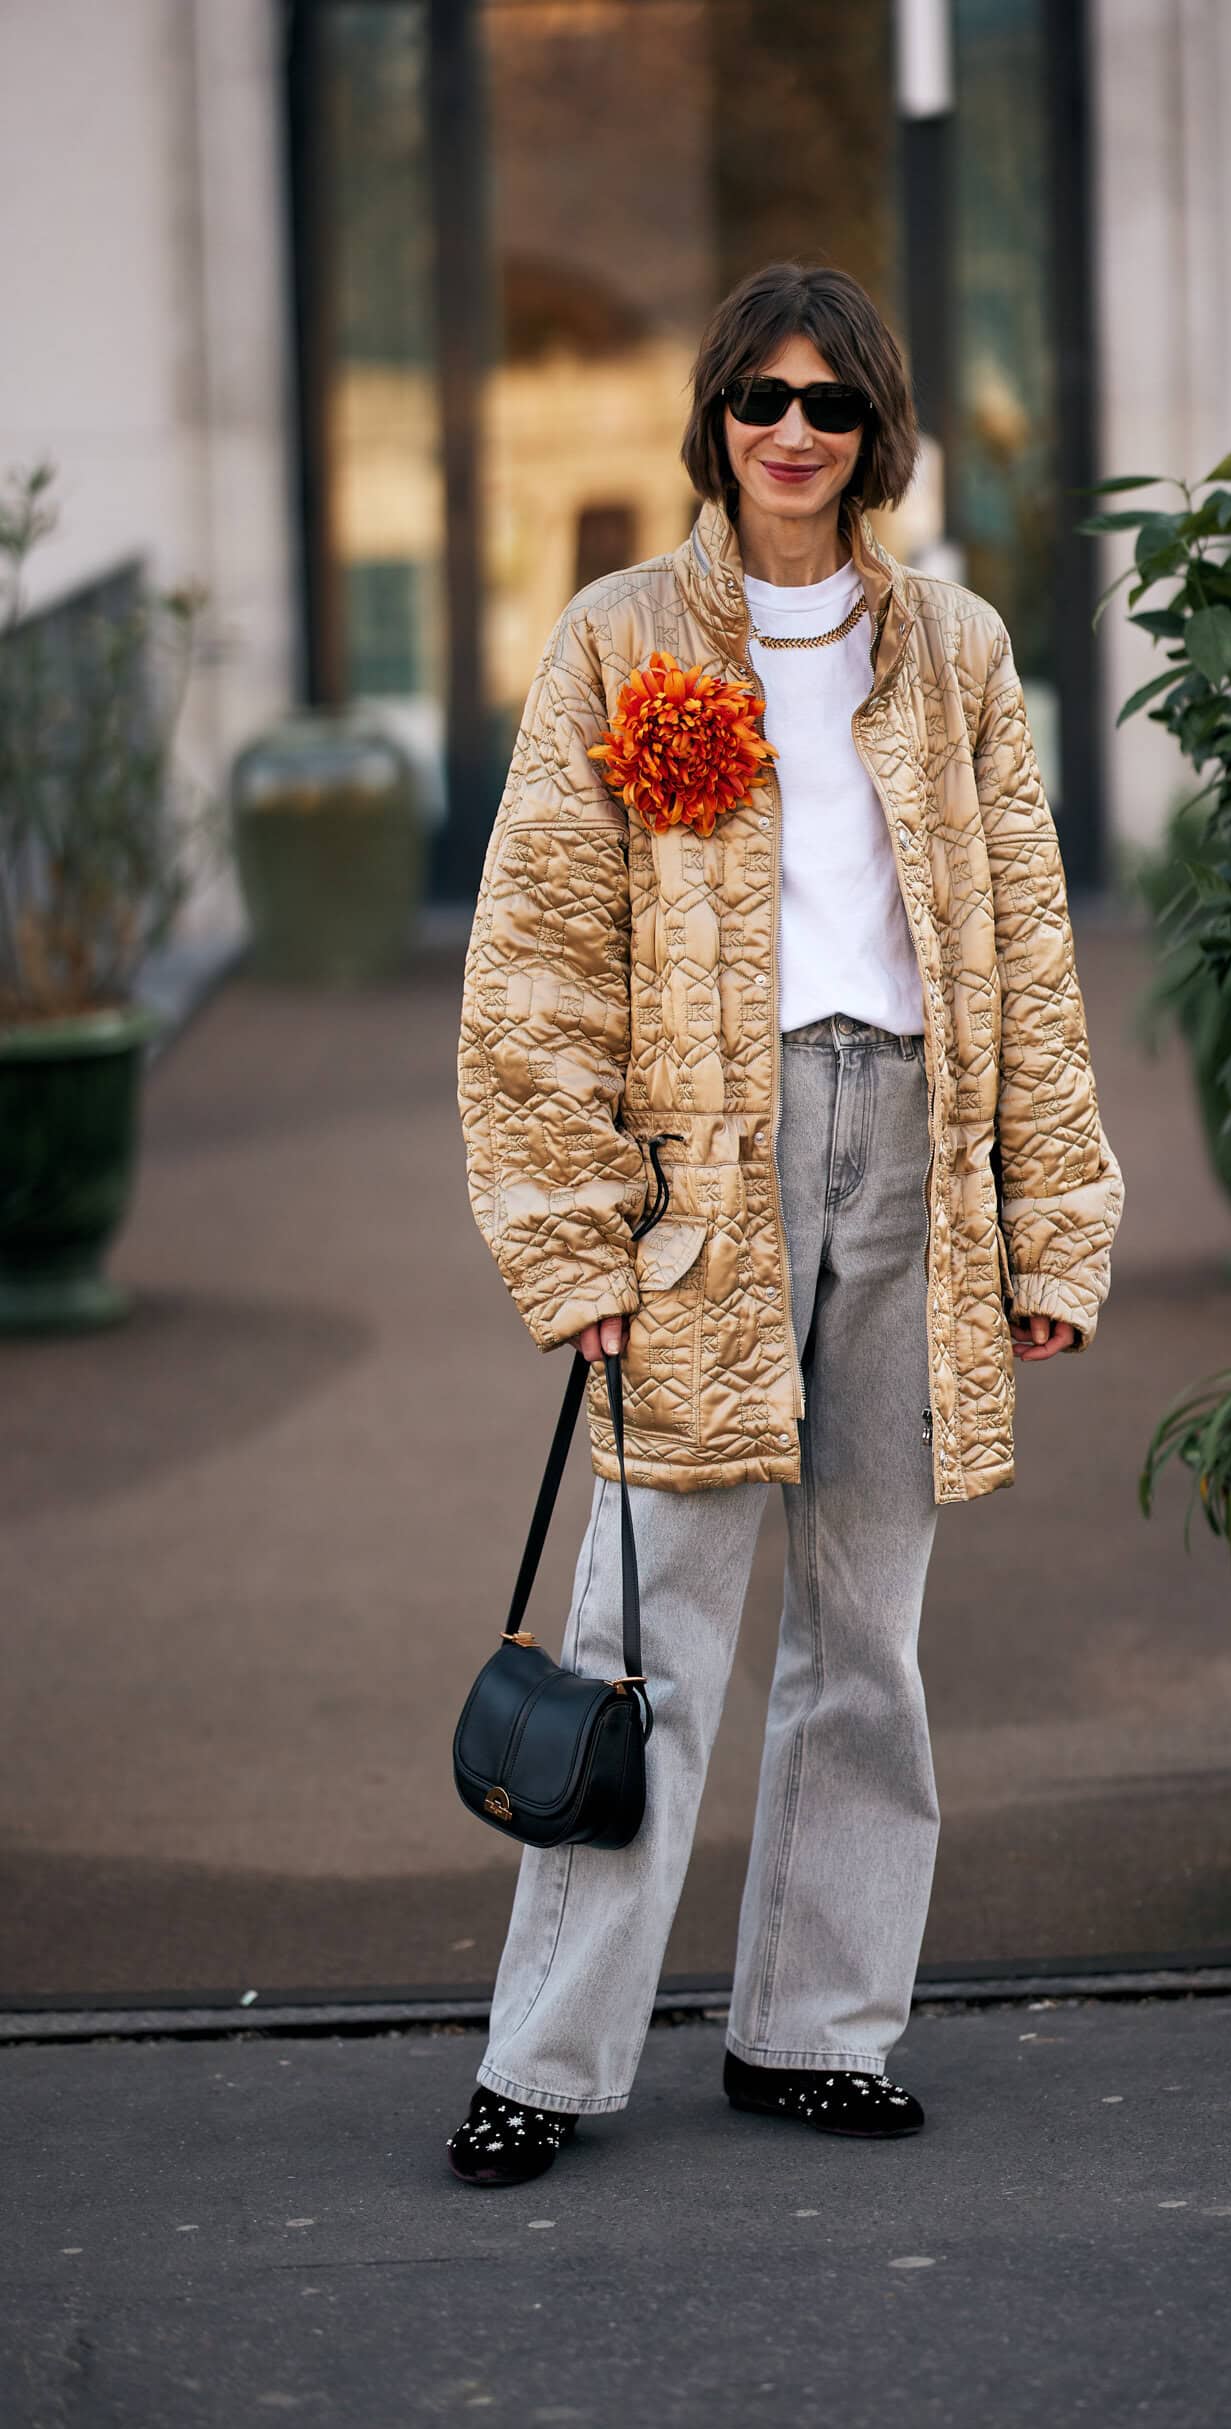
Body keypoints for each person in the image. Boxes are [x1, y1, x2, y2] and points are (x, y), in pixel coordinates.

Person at [448, 262, 1123, 2185]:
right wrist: (576, 1241)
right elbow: (536, 965)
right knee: (642, 1632)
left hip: (909, 1146)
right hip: (705, 1179)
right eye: (762, 397)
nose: (796, 431)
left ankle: (817, 2032)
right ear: (716, 421)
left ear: (878, 426)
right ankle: (546, 2065)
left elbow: (1032, 952)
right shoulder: (618, 636)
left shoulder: (961, 654)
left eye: (831, 401)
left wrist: (1051, 1228)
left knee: (869, 1638)